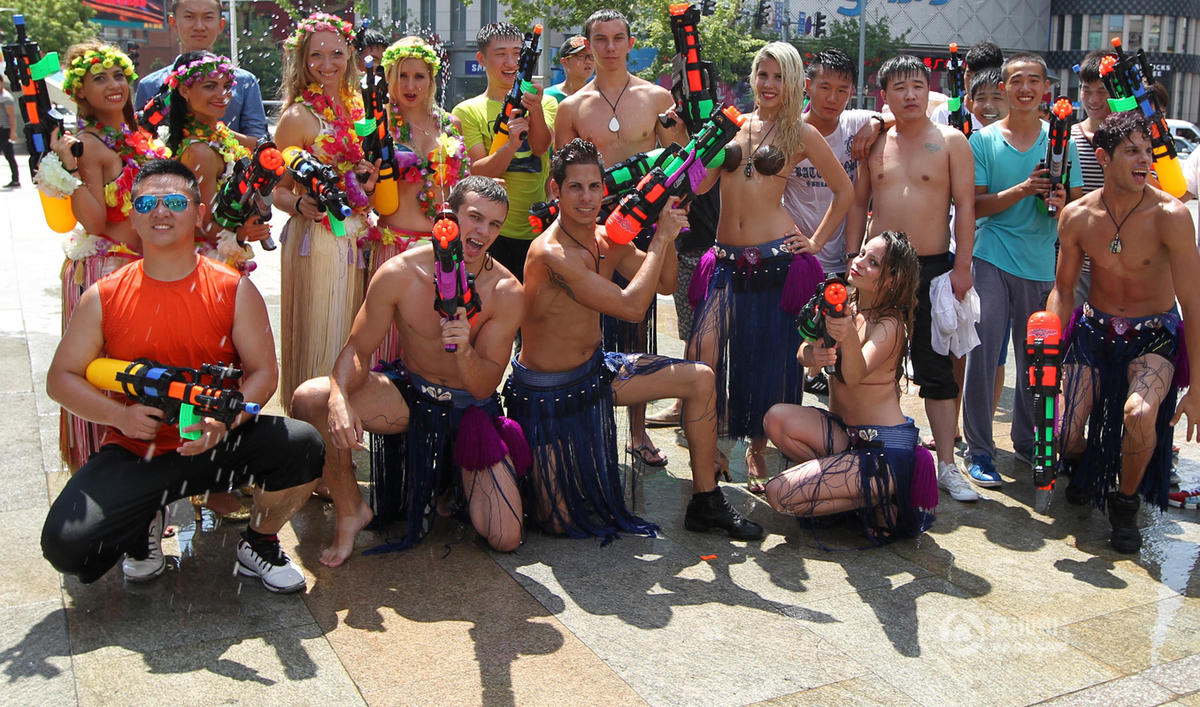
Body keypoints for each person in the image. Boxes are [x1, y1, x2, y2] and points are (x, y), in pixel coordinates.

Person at [40, 159, 323, 590]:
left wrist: (226, 420)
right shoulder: (103, 296)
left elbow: (264, 372)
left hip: (217, 441)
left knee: (302, 445)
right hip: (138, 447)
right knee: (67, 547)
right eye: (146, 203)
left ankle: (260, 542)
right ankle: (143, 526)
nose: (160, 211)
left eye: (174, 202)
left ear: (198, 212)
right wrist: (119, 417)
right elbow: (61, 378)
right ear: (133, 216)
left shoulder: (233, 289)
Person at [508, 139, 762, 540]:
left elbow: (665, 283)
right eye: (575, 187)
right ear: (555, 190)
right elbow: (631, 308)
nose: (587, 197)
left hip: (595, 374)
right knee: (557, 522)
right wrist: (658, 240)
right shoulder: (550, 253)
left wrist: (667, 228)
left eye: (594, 186)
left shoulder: (606, 239)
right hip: (548, 395)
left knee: (701, 378)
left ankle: (706, 501)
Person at [291, 176, 525, 565]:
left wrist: (464, 348)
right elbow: (357, 348)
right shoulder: (400, 273)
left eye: (494, 224)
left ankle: (451, 485)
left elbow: (485, 386)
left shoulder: (506, 291)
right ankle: (350, 509)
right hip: (412, 395)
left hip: (469, 411)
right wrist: (339, 397)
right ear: (448, 216)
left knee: (505, 536)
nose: (483, 232)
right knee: (311, 398)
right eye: (475, 217)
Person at [690, 42, 848, 493]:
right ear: (752, 78)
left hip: (776, 261)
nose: (769, 84)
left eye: (779, 76)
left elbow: (845, 192)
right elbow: (698, 186)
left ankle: (757, 447)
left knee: (769, 359)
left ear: (794, 82)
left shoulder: (800, 133)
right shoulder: (733, 126)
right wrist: (702, 146)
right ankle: (711, 445)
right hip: (725, 261)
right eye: (763, 74)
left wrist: (815, 242)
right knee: (702, 355)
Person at [1047, 112, 1200, 552]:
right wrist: (1047, 349)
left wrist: (1198, 388)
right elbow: (1063, 291)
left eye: (1147, 151)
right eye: (1131, 151)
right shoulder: (1078, 215)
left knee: (1138, 414)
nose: (1144, 160)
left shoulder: (1171, 215)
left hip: (1154, 336)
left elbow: (1193, 303)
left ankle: (1125, 502)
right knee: (1063, 435)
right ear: (1103, 157)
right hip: (1093, 330)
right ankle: (1089, 463)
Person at [555, 9, 690, 469]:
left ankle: (637, 432)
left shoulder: (656, 97)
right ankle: (586, 427)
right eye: (601, 39)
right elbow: (561, 178)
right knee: (584, 325)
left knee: (637, 326)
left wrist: (669, 219)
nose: (610, 47)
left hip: (643, 224)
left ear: (631, 43)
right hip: (590, 227)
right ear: (588, 45)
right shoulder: (572, 108)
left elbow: (681, 160)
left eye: (618, 38)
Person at [845, 55, 977, 503]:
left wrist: (963, 266)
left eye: (918, 85)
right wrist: (852, 256)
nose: (910, 95)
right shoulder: (874, 142)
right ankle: (878, 448)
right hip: (879, 271)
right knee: (875, 363)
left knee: (936, 368)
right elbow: (858, 203)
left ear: (929, 89)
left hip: (934, 267)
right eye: (899, 88)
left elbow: (966, 206)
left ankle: (946, 464)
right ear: (885, 95)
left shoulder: (951, 141)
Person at [39, 42, 171, 472]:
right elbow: (95, 222)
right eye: (99, 79)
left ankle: (151, 465)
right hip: (108, 269)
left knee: (145, 369)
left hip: (147, 267)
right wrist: (70, 171)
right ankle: (105, 465)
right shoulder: (87, 145)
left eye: (118, 76)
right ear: (80, 92)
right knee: (108, 372)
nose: (114, 85)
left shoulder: (143, 137)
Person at [763, 231, 937, 541]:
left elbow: (854, 375)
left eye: (873, 263)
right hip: (845, 434)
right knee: (775, 418)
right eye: (862, 253)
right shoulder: (847, 302)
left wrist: (846, 332)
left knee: (779, 493)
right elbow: (803, 350)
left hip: (883, 449)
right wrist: (813, 354)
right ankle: (855, 490)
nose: (859, 262)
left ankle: (879, 496)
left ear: (892, 280)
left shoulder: (890, 325)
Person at [963, 52, 1083, 488]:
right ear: (1005, 88)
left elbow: (1077, 208)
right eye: (1017, 81)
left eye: (1034, 80)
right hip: (991, 255)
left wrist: (1060, 203)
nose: (1026, 88)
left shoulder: (1062, 142)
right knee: (982, 355)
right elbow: (975, 206)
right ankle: (979, 450)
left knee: (1036, 360)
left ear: (1046, 89)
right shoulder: (983, 141)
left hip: (1040, 263)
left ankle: (1028, 443)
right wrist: (1023, 188)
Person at [271, 12, 377, 414]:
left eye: (336, 53)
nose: (327, 64)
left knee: (353, 332)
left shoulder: (361, 109)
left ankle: (348, 419)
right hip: (316, 239)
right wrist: (300, 203)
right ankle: (313, 422)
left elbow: (372, 177)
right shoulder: (298, 116)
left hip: (359, 235)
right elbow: (277, 191)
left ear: (350, 55)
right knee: (323, 331)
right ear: (302, 59)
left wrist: (368, 182)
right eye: (316, 55)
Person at [366, 36, 468, 365]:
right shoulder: (378, 126)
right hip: (394, 247)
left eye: (419, 76)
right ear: (389, 78)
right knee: (387, 345)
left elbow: (460, 186)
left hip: (441, 248)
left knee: (434, 348)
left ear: (431, 78)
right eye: (402, 76)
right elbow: (364, 192)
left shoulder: (449, 124)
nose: (410, 86)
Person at [782, 48, 873, 401]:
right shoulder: (789, 130)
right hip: (796, 256)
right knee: (791, 339)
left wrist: (877, 124)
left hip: (839, 258)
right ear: (807, 85)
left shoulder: (855, 123)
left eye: (842, 90)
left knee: (831, 341)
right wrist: (802, 240)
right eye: (825, 87)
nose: (833, 98)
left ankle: (827, 406)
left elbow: (918, 107)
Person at [452, 22, 557, 281]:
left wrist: (536, 111)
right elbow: (478, 173)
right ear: (481, 59)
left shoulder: (546, 102)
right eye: (501, 54)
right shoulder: (467, 111)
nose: (511, 62)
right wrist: (510, 145)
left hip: (538, 227)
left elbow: (541, 148)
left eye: (517, 53)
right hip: (490, 232)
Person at [163, 50, 270, 272]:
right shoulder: (199, 151)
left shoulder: (219, 132)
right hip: (205, 262)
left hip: (221, 255)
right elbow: (203, 225)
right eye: (210, 86)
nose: (222, 95)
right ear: (184, 90)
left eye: (227, 86)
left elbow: (262, 147)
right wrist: (243, 233)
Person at [135, 0, 269, 140]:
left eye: (208, 17)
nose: (199, 26)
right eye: (189, 17)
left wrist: (215, 132)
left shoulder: (244, 82)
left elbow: (260, 142)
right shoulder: (150, 85)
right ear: (173, 22)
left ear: (221, 24)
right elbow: (139, 141)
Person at [1069, 50, 1115, 309]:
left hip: (1119, 266)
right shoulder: (1068, 138)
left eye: (1102, 91)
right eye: (1086, 90)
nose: (1093, 100)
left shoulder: (1135, 143)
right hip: (1074, 265)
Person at [544, 35, 593, 104]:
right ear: (564, 62)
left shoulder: (600, 96)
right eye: (581, 56)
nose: (588, 61)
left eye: (592, 56)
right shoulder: (548, 96)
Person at [0, 74, 18, 188]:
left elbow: (11, 116)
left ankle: (15, 179)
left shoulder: (6, 98)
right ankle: (15, 179)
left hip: (4, 130)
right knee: (9, 155)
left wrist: (12, 131)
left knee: (9, 155)